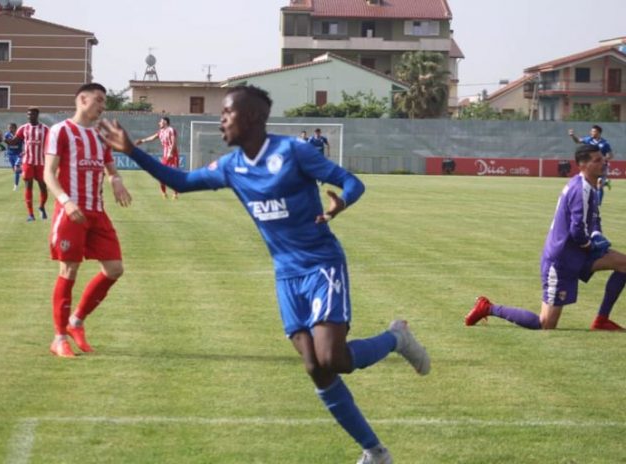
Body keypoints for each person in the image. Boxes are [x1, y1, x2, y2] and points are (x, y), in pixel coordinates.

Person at [98, 85, 430, 464]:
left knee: (331, 359)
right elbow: (181, 182)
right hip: (285, 275)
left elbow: (353, 181)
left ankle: (396, 338)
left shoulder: (294, 152)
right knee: (314, 367)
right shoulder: (231, 167)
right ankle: (376, 452)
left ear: (253, 117)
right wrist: (133, 151)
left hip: (321, 264)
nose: (221, 121)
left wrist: (342, 202)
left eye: (227, 113)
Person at [465, 144, 626, 331]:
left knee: (624, 264)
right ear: (583, 165)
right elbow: (577, 231)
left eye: (603, 159)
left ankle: (601, 320)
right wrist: (591, 246)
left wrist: (596, 233)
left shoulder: (589, 186)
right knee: (546, 324)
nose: (604, 163)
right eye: (597, 160)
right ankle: (488, 308)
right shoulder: (580, 189)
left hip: (578, 252)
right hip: (562, 259)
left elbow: (594, 217)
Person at [43, 83, 132, 358]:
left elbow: (111, 169)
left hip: (97, 211)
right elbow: (49, 173)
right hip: (71, 213)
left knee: (115, 268)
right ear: (82, 100)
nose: (103, 106)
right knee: (69, 270)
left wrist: (116, 180)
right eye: (99, 100)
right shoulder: (61, 131)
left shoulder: (100, 136)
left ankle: (76, 321)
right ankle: (59, 338)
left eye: (104, 102)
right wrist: (66, 201)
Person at [6, 107, 50, 221]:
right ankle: (31, 214)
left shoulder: (45, 129)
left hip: (41, 162)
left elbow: (51, 144)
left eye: (32, 114)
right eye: (28, 114)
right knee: (28, 186)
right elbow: (14, 141)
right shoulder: (23, 128)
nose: (29, 116)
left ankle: (41, 207)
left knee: (43, 187)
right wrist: (2, 139)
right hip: (27, 162)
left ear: (37, 115)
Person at [135, 116, 180, 199]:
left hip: (173, 155)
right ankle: (164, 193)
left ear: (165, 122)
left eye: (161, 122)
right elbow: (152, 137)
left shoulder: (171, 130)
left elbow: (174, 142)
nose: (159, 123)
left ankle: (175, 194)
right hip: (165, 156)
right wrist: (142, 141)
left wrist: (170, 153)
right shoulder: (161, 132)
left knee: (175, 174)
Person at [569, 125, 614, 205]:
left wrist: (601, 159)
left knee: (599, 183)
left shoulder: (605, 143)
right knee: (588, 183)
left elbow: (610, 155)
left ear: (598, 132)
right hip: (589, 166)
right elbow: (577, 141)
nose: (591, 132)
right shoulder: (588, 140)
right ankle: (605, 183)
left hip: (601, 166)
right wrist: (572, 136)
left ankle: (597, 203)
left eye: (593, 131)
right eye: (591, 131)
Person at [3, 123, 24, 191]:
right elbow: (4, 141)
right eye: (9, 128)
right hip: (10, 154)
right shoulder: (7, 134)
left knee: (16, 168)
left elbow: (24, 142)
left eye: (11, 128)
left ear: (15, 128)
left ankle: (16, 186)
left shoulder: (19, 134)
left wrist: (24, 150)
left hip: (18, 154)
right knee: (15, 170)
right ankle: (23, 172)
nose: (9, 129)